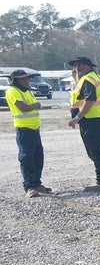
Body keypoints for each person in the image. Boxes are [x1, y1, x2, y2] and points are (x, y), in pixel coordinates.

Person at [66, 56, 100, 191]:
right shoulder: (92, 77)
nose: (75, 69)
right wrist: (76, 79)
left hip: (91, 119)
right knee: (96, 151)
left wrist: (77, 117)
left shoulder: (88, 79)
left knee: (95, 152)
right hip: (97, 118)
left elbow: (89, 100)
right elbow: (82, 94)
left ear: (84, 66)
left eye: (77, 65)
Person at [4, 69, 52, 198]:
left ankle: (37, 183)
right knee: (26, 158)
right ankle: (29, 186)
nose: (27, 81)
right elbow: (23, 107)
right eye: (23, 79)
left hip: (34, 129)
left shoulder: (28, 91)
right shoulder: (13, 91)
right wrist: (36, 105)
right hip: (24, 130)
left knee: (38, 158)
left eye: (27, 78)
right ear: (16, 81)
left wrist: (35, 105)